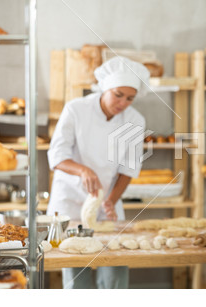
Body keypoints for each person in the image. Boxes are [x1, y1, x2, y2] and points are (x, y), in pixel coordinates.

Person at [47, 56, 150, 289]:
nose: (123, 102)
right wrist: (83, 170)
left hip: (107, 200)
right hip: (70, 199)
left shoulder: (135, 120)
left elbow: (128, 168)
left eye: (130, 98)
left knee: (114, 266)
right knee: (76, 270)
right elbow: (57, 156)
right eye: (118, 94)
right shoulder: (76, 109)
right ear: (105, 88)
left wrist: (111, 201)